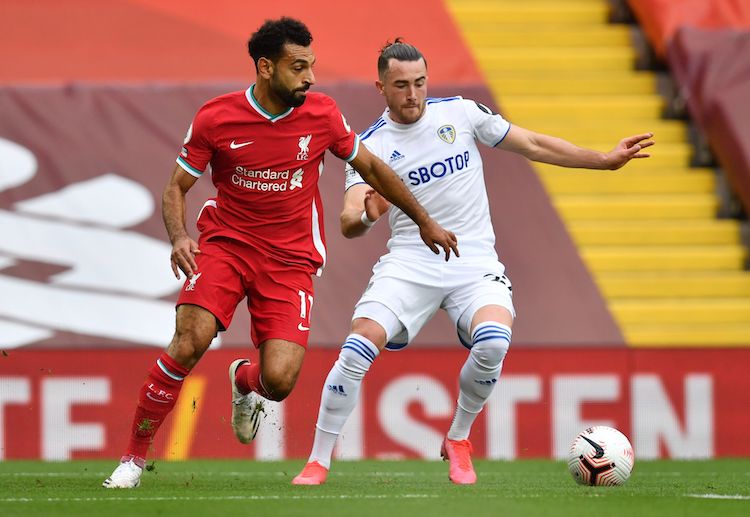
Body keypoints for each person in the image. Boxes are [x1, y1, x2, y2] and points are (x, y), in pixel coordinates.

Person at [103, 20, 458, 489]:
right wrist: (179, 236)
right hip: (226, 245)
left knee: (281, 380)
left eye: (311, 65)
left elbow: (372, 166)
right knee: (190, 340)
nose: (310, 77)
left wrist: (424, 220)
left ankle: (243, 382)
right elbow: (176, 186)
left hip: (290, 260)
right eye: (298, 67)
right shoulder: (216, 117)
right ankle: (132, 459)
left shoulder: (323, 115)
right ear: (266, 67)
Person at [292, 39, 654, 486]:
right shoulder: (369, 145)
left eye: (420, 82)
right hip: (409, 262)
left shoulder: (460, 114)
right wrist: (365, 216)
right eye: (401, 85)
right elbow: (349, 219)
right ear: (381, 87)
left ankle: (458, 438)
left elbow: (534, 143)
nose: (413, 94)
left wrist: (604, 160)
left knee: (494, 342)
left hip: (473, 259)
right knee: (359, 343)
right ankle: (319, 459)